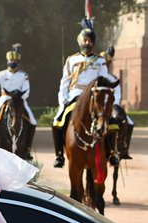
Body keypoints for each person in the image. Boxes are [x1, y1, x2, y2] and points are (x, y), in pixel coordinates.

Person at [52, 18, 117, 168]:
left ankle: (112, 152)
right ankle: (59, 155)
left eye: (90, 41)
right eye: (85, 40)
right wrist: (63, 100)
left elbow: (104, 79)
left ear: (93, 43)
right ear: (80, 41)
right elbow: (64, 82)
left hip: (94, 95)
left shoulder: (99, 61)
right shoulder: (71, 60)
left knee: (111, 121)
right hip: (75, 94)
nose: (87, 43)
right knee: (57, 120)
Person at [0, 43, 36, 157]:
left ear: (18, 62)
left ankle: (27, 150)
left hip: (19, 100)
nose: (13, 63)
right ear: (7, 61)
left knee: (32, 121)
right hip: (5, 99)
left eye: (15, 61)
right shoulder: (1, 74)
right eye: (11, 61)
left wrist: (19, 96)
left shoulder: (23, 75)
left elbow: (27, 90)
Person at [101, 47, 134, 160]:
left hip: (112, 107)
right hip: (99, 108)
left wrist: (112, 107)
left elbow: (117, 96)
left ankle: (122, 148)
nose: (105, 65)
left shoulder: (113, 79)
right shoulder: (95, 79)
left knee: (129, 123)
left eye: (107, 63)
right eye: (103, 64)